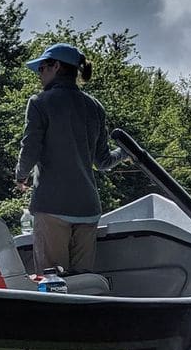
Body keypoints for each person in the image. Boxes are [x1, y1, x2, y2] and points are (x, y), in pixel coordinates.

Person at [14, 41, 125, 275]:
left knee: (52, 281)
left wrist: (21, 177)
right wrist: (126, 153)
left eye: (42, 68)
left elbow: (30, 149)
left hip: (52, 207)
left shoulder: (39, 103)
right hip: (88, 210)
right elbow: (103, 162)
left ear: (56, 67)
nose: (39, 74)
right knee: (83, 283)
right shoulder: (95, 107)